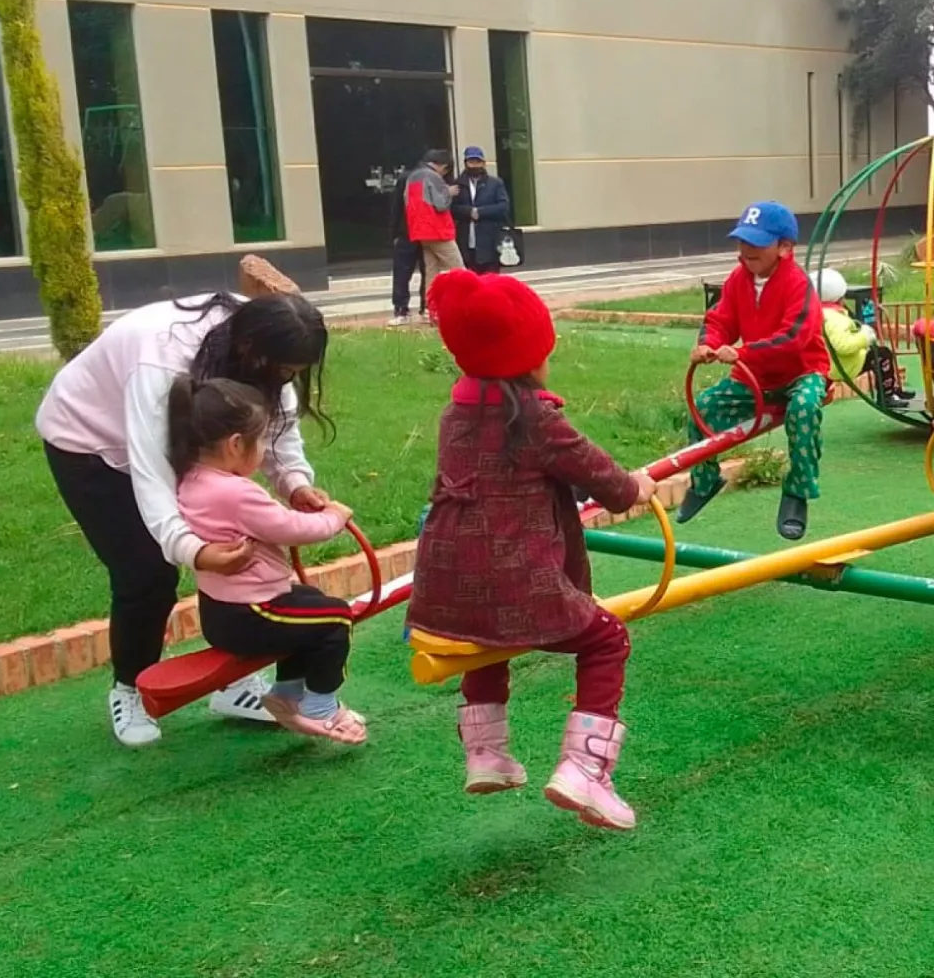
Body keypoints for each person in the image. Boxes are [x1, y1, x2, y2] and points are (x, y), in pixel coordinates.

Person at [36, 257, 336, 747]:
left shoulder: (266, 338)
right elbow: (152, 471)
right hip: (90, 444)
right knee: (147, 573)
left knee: (239, 547)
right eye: (284, 371)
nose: (287, 380)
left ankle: (233, 685)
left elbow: (276, 422)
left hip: (182, 437)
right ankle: (131, 687)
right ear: (250, 352)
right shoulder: (162, 359)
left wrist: (294, 483)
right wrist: (192, 550)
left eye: (295, 373)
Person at [407, 269, 656, 831]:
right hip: (517, 584)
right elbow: (606, 481)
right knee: (607, 638)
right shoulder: (537, 420)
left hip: (444, 589)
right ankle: (585, 769)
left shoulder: (456, 414)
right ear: (529, 358)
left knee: (486, 640)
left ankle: (486, 754)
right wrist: (637, 486)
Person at [170, 376, 367, 745]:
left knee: (310, 601)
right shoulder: (235, 493)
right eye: (261, 441)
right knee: (336, 617)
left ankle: (287, 693)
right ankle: (321, 706)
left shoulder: (193, 478)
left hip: (222, 610)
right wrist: (334, 519)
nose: (263, 450)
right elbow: (288, 528)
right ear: (234, 445)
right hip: (251, 614)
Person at [679, 201, 830, 541]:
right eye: (742, 241)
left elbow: (794, 338)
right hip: (755, 376)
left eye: (757, 243)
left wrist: (743, 352)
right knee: (704, 407)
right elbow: (720, 320)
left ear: (784, 248)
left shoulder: (797, 284)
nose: (746, 250)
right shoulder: (738, 279)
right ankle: (705, 480)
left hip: (801, 372)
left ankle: (798, 491)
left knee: (805, 408)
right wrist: (708, 344)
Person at [817, 268, 912, 409]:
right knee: (883, 355)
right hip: (843, 364)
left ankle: (892, 390)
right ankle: (887, 397)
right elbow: (843, 345)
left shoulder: (821, 312)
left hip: (831, 362)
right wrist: (864, 336)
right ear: (840, 298)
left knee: (879, 353)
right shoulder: (835, 319)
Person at [404, 150, 464, 293]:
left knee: (432, 272)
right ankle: (468, 301)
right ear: (443, 166)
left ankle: (431, 304)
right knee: (459, 269)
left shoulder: (412, 177)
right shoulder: (433, 176)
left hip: (420, 231)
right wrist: (448, 192)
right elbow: (441, 205)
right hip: (437, 230)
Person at [451, 146, 510, 275]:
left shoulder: (495, 183)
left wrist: (480, 212)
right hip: (466, 239)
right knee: (469, 278)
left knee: (491, 279)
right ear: (465, 163)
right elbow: (452, 208)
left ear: (483, 163)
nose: (474, 165)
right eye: (471, 162)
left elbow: (503, 206)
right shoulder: (457, 184)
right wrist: (469, 212)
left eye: (477, 162)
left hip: (490, 238)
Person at [388, 168, 427, 328]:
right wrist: (395, 234)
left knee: (428, 271)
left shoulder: (435, 179)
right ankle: (401, 309)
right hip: (407, 234)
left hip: (427, 234)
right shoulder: (406, 180)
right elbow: (396, 207)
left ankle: (425, 308)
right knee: (402, 274)